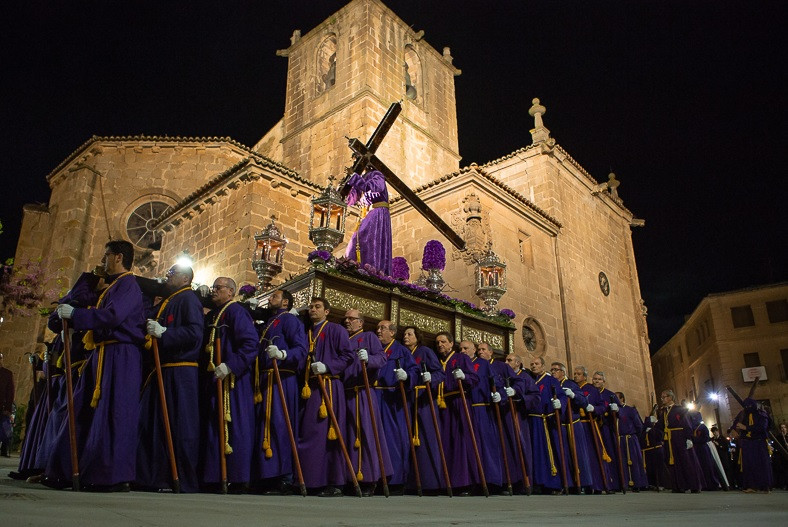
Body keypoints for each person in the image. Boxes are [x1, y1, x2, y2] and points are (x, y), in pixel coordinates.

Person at [49, 240, 146, 491]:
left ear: (118, 257)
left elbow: (114, 316)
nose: (103, 260)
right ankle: (66, 470)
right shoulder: (113, 286)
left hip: (121, 355)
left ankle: (110, 475)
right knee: (81, 409)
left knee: (115, 413)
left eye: (106, 256)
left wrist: (77, 316)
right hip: (101, 354)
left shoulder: (129, 285)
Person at [135, 264, 204, 492]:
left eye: (171, 274)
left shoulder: (188, 299)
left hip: (181, 371)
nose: (167, 278)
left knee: (178, 425)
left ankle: (177, 478)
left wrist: (165, 333)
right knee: (151, 424)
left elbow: (195, 333)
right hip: (161, 369)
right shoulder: (169, 299)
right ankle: (150, 476)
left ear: (185, 278)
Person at [200, 277, 258, 493]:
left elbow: (251, 344)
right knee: (215, 427)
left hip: (234, 381)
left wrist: (231, 365)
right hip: (216, 378)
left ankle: (237, 477)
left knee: (236, 427)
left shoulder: (235, 311)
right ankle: (216, 476)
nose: (214, 291)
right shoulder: (218, 313)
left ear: (231, 292)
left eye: (219, 288)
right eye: (213, 287)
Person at [250, 288, 308, 494]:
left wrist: (283, 353)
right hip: (265, 379)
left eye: (275, 296)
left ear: (285, 303)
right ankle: (264, 475)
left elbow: (301, 349)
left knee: (280, 425)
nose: (270, 298)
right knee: (264, 424)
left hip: (282, 378)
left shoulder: (290, 321)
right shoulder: (269, 322)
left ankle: (283, 477)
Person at [297, 297, 355, 497]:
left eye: (317, 307)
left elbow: (348, 356)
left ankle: (334, 482)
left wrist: (328, 366)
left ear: (327, 311)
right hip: (310, 386)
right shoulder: (307, 332)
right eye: (311, 307)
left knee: (330, 433)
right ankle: (311, 479)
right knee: (310, 432)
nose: (313, 310)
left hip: (330, 385)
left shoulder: (335, 330)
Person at [341, 309, 391, 496]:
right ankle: (349, 477)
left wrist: (369, 359)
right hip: (345, 392)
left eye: (351, 318)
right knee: (348, 435)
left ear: (360, 322)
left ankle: (370, 478)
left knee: (367, 434)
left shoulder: (368, 336)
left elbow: (382, 358)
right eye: (346, 318)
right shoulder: (343, 338)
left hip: (363, 390)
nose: (347, 321)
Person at [375, 320, 419, 493]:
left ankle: (395, 481)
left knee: (394, 440)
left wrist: (406, 376)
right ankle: (376, 478)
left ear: (392, 332)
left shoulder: (401, 350)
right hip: (375, 397)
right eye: (378, 328)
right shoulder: (375, 348)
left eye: (382, 328)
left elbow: (415, 371)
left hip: (393, 399)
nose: (378, 331)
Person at [402, 326, 447, 493]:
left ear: (417, 337)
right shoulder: (403, 352)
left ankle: (430, 482)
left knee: (427, 437)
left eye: (409, 334)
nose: (406, 337)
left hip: (424, 399)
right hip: (408, 399)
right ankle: (411, 482)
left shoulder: (425, 351)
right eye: (404, 334)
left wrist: (431, 378)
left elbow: (440, 373)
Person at [435, 331, 479, 494]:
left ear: (451, 343)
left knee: (461, 441)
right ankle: (447, 481)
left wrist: (464, 377)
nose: (440, 345)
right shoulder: (438, 361)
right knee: (445, 442)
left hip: (459, 401)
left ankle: (464, 482)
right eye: (438, 342)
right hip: (443, 405)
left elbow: (474, 379)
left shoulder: (461, 358)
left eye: (444, 342)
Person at [459, 340, 504, 493]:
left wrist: (499, 394)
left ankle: (491, 482)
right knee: (470, 446)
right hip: (467, 409)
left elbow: (495, 381)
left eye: (466, 348)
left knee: (486, 446)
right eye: (461, 349)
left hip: (482, 408)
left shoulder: (482, 364)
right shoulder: (461, 364)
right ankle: (473, 482)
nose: (463, 351)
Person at [550, 361, 595, 492]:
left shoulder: (570, 384)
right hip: (559, 425)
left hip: (573, 424)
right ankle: (567, 483)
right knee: (563, 455)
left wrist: (573, 395)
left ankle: (583, 483)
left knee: (578, 454)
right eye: (552, 370)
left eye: (556, 370)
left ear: (563, 372)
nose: (553, 372)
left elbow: (583, 401)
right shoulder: (553, 384)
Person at [500, 353, 539, 493]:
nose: (506, 362)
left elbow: (535, 397)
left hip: (518, 415)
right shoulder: (502, 376)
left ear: (518, 363)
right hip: (503, 415)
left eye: (509, 360)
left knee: (520, 447)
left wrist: (520, 398)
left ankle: (523, 483)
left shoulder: (525, 378)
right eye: (505, 360)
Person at [528, 357, 566, 494]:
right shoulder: (531, 381)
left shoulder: (551, 380)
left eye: (536, 364)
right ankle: (539, 483)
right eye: (531, 364)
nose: (533, 366)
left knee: (550, 451)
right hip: (533, 421)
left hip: (546, 421)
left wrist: (559, 403)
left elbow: (561, 395)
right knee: (536, 453)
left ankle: (554, 484)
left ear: (543, 366)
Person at [574, 366, 615, 494]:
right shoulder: (573, 388)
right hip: (577, 425)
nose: (575, 376)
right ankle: (584, 484)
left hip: (590, 425)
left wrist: (594, 409)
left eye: (579, 374)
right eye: (574, 373)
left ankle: (598, 485)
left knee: (594, 455)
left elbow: (602, 405)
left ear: (585, 376)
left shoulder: (591, 389)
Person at [343, 169, 392, 275]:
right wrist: (343, 189)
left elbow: (377, 187)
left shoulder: (376, 174)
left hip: (378, 212)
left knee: (366, 239)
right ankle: (356, 268)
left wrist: (355, 178)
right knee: (355, 242)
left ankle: (371, 270)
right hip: (368, 214)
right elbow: (351, 200)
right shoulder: (362, 179)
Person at [653, 389, 702, 493]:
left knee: (686, 461)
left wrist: (688, 438)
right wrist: (651, 424)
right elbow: (661, 426)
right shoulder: (664, 411)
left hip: (680, 437)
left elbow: (686, 423)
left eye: (664, 397)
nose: (662, 399)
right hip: (670, 439)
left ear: (670, 397)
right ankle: (679, 486)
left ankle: (694, 486)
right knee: (674, 463)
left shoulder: (680, 409)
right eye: (662, 397)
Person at [731, 398, 773, 492]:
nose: (747, 408)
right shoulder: (743, 414)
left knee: (762, 464)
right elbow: (735, 424)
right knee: (749, 465)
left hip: (759, 443)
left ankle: (765, 486)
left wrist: (746, 427)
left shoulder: (761, 414)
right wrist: (734, 430)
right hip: (747, 443)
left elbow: (762, 428)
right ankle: (752, 486)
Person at [591, 371, 624, 491]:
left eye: (599, 379)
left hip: (606, 428)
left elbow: (621, 411)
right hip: (594, 428)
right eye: (595, 379)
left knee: (611, 454)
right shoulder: (590, 393)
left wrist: (617, 409)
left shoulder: (610, 395)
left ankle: (614, 484)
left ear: (604, 381)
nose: (596, 381)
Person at [614, 391, 648, 491]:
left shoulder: (630, 410)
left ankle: (637, 483)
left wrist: (633, 436)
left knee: (634, 461)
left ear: (622, 399)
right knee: (621, 462)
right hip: (619, 439)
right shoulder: (613, 411)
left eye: (617, 398)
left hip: (630, 439)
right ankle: (623, 483)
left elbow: (639, 426)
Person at [0, 352, 14, 457]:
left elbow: (10, 392)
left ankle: (4, 450)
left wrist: (8, 407)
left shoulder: (7, 373)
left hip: (2, 406)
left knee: (5, 429)